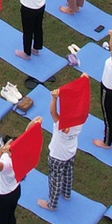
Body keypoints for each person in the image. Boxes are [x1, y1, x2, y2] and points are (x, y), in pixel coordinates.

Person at [38, 83, 82, 211]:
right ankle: (67, 193)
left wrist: (54, 98)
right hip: (70, 152)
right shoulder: (80, 122)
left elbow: (52, 112)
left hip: (57, 156)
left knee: (55, 179)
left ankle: (51, 204)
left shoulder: (61, 126)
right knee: (68, 172)